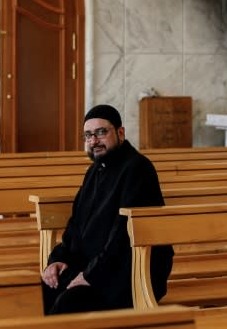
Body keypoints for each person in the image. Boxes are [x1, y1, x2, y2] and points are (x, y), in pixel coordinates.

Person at [41, 104, 173, 314]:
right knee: (41, 291)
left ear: (120, 132)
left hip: (130, 273)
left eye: (101, 132)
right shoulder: (93, 172)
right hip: (96, 267)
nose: (94, 141)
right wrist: (58, 260)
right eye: (88, 135)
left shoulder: (137, 169)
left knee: (69, 303)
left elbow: (123, 237)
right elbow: (75, 227)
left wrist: (89, 276)